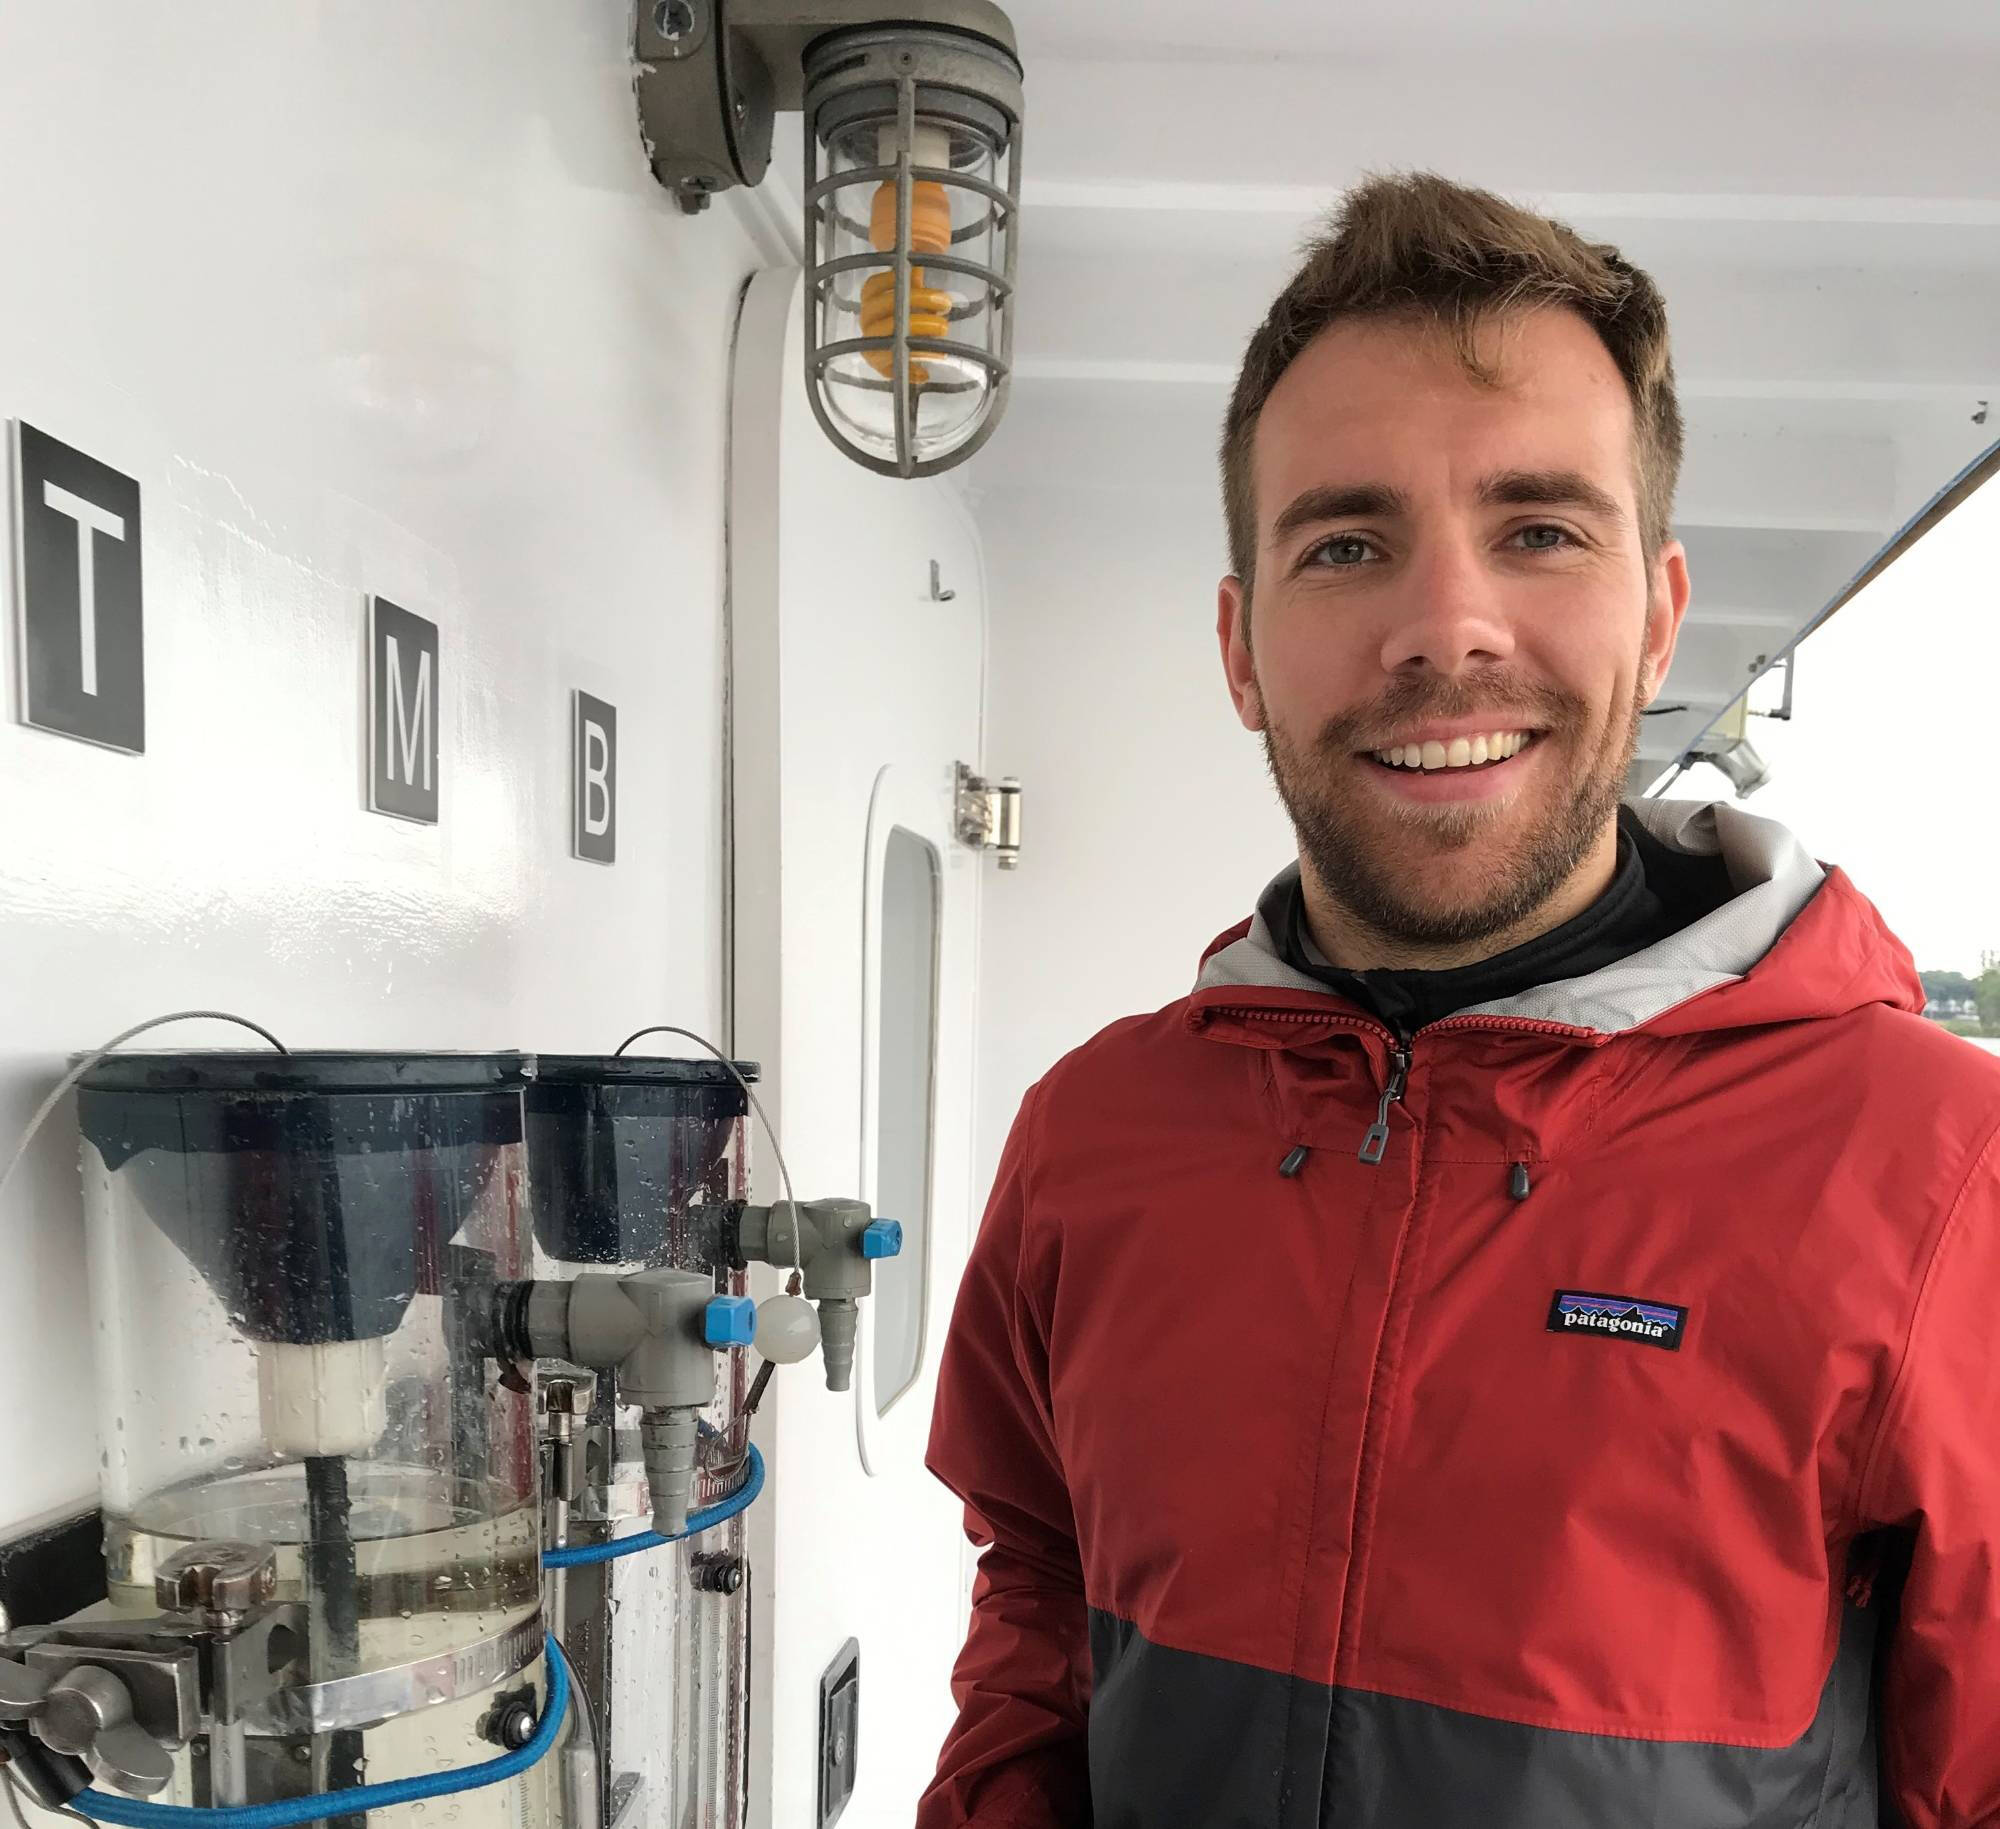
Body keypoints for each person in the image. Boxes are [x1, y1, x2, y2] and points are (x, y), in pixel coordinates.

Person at [914, 172, 2000, 1829]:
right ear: (1242, 646)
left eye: (1540, 531)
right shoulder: (1092, 1137)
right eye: (1347, 543)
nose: (1448, 628)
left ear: (1658, 617)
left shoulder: (1940, 1172)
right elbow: (1041, 1604)